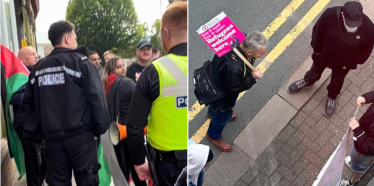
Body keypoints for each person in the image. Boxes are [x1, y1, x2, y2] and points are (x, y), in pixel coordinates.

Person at [21, 20, 109, 186]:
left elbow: (26, 106)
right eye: (75, 37)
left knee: (58, 182)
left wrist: (39, 133)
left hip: (52, 141)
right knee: (87, 181)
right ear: (67, 38)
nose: (76, 41)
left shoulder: (38, 68)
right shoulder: (82, 63)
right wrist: (98, 130)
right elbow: (98, 99)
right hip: (81, 137)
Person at [127, 1, 187, 185]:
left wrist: (138, 162)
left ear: (165, 34)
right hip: (196, 157)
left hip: (168, 167)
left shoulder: (155, 71)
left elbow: (134, 126)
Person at [288, 1, 374, 117]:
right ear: (343, 14)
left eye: (356, 23)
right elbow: (317, 32)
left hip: (344, 63)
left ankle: (332, 96)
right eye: (350, 23)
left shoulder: (369, 28)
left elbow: (365, 52)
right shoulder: (329, 15)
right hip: (323, 54)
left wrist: (349, 64)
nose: (353, 26)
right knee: (315, 69)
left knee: (337, 80)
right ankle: (308, 81)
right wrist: (317, 51)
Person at [205, 31, 266, 152]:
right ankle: (213, 135)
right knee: (224, 113)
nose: (265, 54)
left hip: (215, 81)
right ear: (249, 52)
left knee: (216, 104)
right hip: (224, 92)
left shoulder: (239, 38)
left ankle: (211, 113)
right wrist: (252, 77)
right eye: (261, 52)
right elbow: (234, 89)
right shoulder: (234, 68)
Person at [101, 57, 146, 186]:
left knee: (121, 174)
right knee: (139, 172)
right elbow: (142, 102)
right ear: (112, 70)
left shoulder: (104, 84)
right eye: (119, 67)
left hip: (111, 136)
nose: (124, 69)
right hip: (129, 133)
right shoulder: (127, 83)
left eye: (123, 65)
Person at [10, 46, 47, 186]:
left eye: (37, 54)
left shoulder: (37, 73)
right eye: (32, 55)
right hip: (25, 124)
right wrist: (34, 96)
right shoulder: (19, 77)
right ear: (22, 59)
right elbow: (13, 98)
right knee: (34, 163)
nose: (36, 57)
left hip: (39, 124)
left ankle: (39, 182)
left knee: (47, 159)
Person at [339, 92, 374, 186]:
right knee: (367, 160)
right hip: (366, 139)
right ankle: (366, 164)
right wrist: (366, 98)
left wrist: (358, 131)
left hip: (363, 150)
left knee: (359, 167)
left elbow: (370, 147)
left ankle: (352, 182)